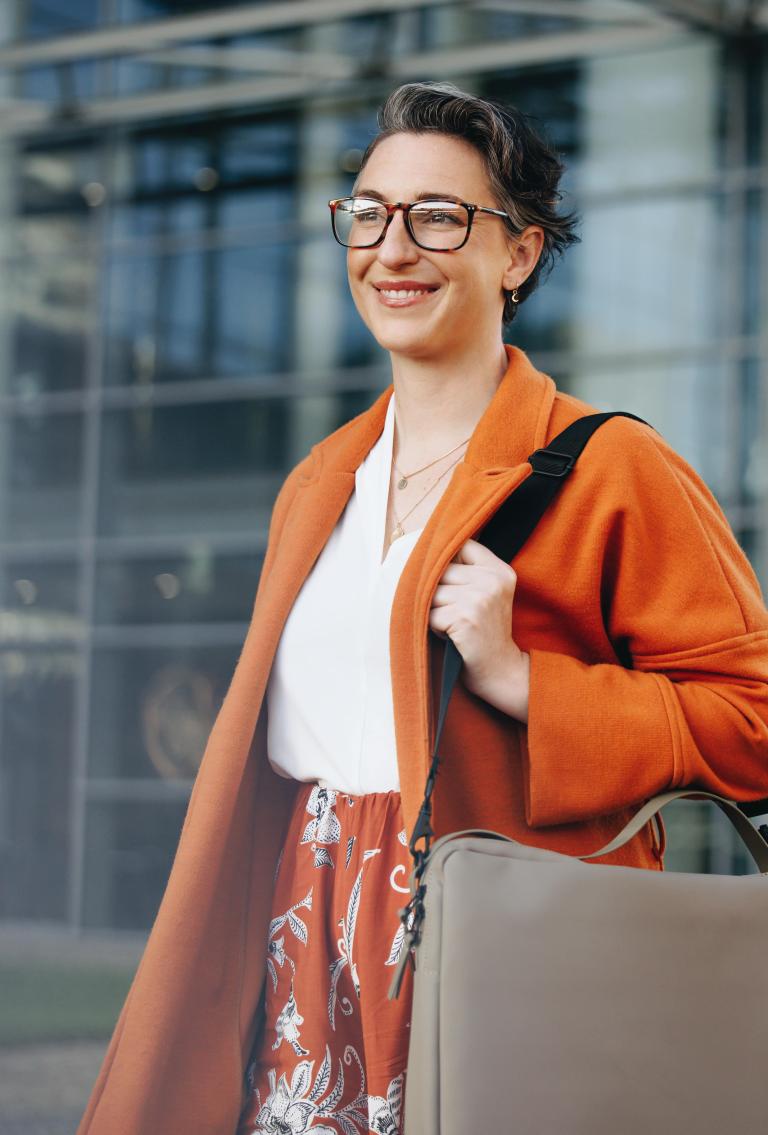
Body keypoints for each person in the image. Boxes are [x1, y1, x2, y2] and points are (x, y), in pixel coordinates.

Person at [77, 81, 768, 1135]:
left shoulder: (614, 468)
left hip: (501, 961)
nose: (393, 248)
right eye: (370, 212)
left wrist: (527, 681)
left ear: (521, 254)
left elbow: (755, 719)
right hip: (302, 946)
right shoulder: (321, 481)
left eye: (440, 216)